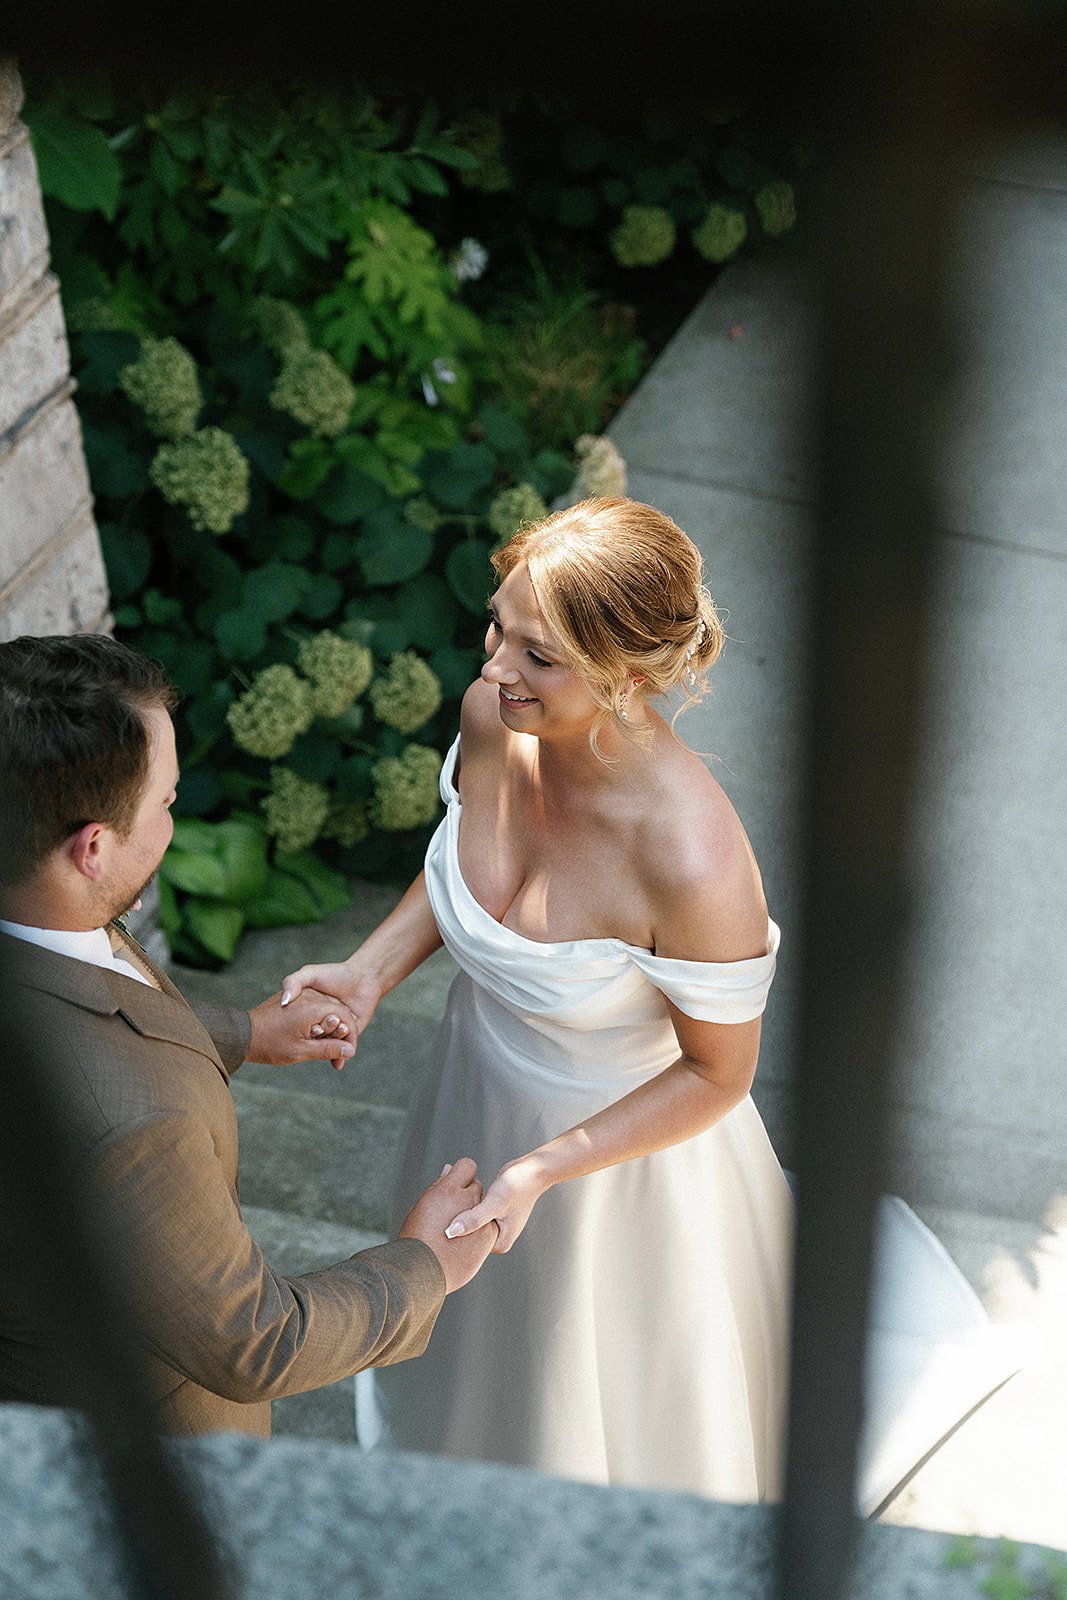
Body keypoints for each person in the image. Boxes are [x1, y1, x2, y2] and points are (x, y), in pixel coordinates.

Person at [280, 496, 794, 1501]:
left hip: (611, 1168)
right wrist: (368, 971)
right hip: (475, 1088)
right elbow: (460, 874)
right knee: (471, 1355)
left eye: (540, 655)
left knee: (592, 1390)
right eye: (496, 628)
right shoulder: (492, 714)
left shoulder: (690, 856)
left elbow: (717, 1071)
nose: (496, 667)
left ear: (631, 676)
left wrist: (541, 1173)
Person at [0, 632, 496, 1438]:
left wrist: (248, 1031)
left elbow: (80, 1007)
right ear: (91, 849)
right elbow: (254, 1342)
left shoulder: (29, 895)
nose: (171, 816)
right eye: (163, 803)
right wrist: (426, 1265)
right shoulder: (132, 1127)